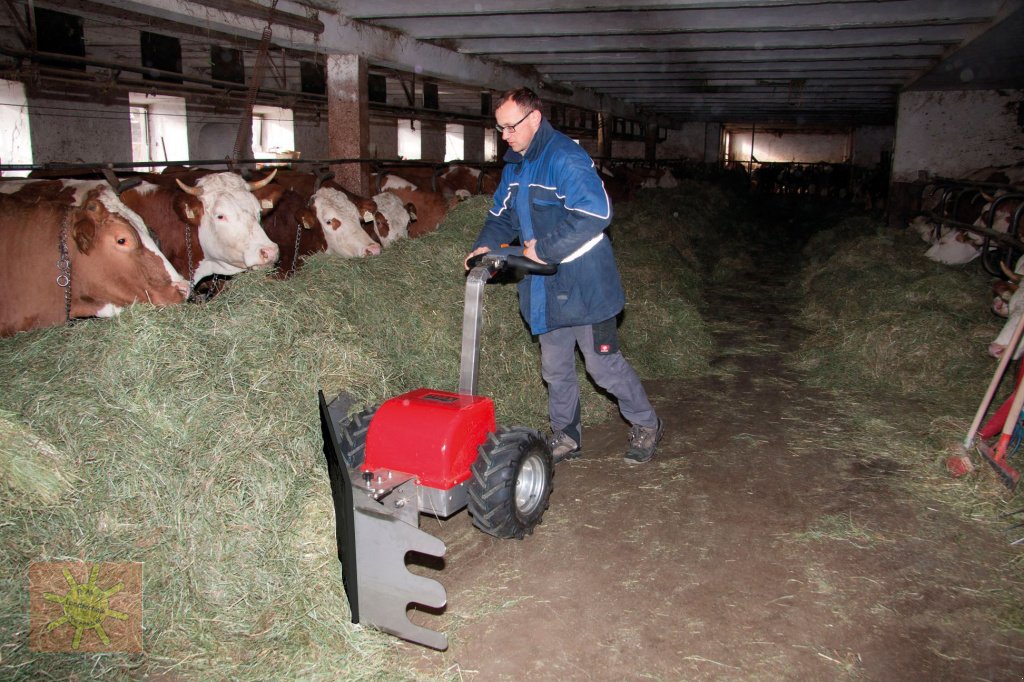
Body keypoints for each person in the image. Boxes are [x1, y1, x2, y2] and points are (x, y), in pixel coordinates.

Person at [464, 87, 664, 464]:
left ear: (534, 118)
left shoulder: (565, 158)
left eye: (511, 127)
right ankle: (567, 434)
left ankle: (646, 422)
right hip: (543, 285)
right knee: (555, 368)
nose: (505, 136)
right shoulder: (515, 166)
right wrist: (485, 247)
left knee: (602, 367)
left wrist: (544, 248)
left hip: (586, 283)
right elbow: (500, 216)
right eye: (500, 128)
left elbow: (595, 212)